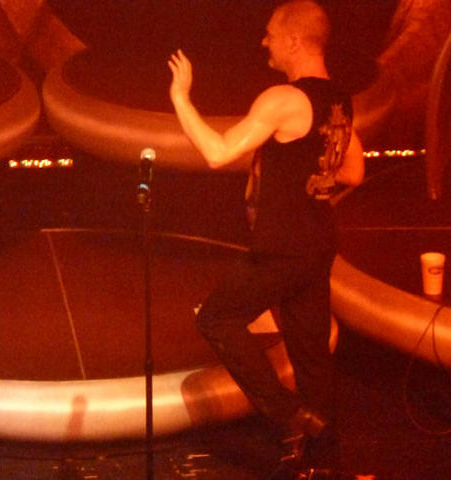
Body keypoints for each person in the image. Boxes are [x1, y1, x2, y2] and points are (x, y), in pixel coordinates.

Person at [168, 1, 364, 478]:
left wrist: (181, 98)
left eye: (271, 34)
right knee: (312, 358)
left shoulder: (283, 99)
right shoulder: (339, 100)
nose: (264, 41)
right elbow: (354, 171)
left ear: (294, 41)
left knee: (217, 318)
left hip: (283, 247)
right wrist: (310, 176)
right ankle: (323, 464)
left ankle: (289, 417)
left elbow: (218, 153)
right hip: (318, 242)